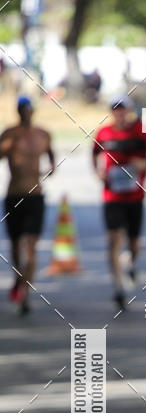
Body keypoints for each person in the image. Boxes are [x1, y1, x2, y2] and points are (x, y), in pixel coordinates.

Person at [92, 95, 146, 311]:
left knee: (134, 243)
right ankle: (118, 288)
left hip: (135, 197)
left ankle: (131, 261)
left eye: (122, 109)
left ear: (129, 110)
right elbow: (94, 154)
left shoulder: (141, 131)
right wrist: (98, 173)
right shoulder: (103, 133)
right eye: (115, 109)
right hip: (112, 196)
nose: (119, 113)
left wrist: (144, 162)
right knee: (114, 240)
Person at [0, 96, 55, 315]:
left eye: (29, 109)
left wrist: (48, 170)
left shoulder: (43, 135)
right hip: (14, 195)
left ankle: (26, 295)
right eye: (23, 109)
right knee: (15, 245)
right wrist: (9, 146)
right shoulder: (10, 133)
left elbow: (52, 159)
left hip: (35, 196)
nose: (27, 113)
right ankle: (17, 277)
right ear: (18, 111)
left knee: (30, 247)